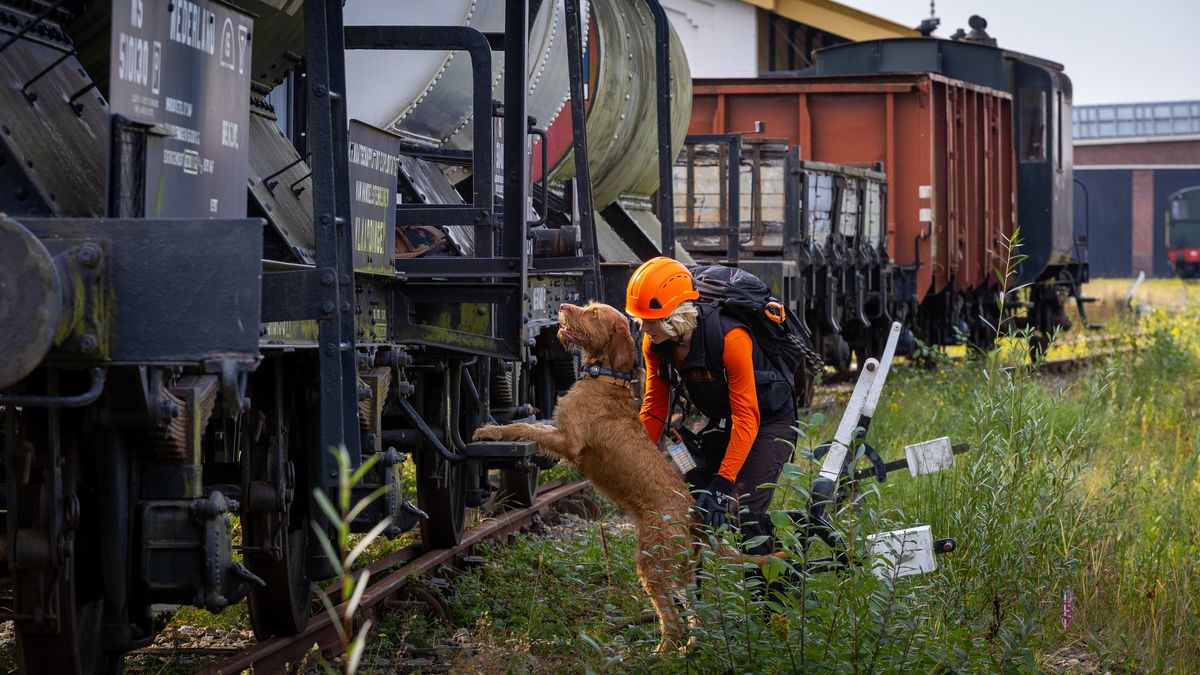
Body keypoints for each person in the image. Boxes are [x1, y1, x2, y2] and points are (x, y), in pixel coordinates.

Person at [625, 257, 796, 556]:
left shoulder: (731, 339)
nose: (642, 328)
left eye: (649, 321)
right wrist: (637, 459)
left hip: (769, 420)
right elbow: (654, 406)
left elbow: (747, 418)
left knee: (744, 510)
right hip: (727, 420)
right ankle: (701, 593)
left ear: (674, 317)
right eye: (640, 320)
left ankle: (772, 591)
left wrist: (723, 483)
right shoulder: (655, 344)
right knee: (690, 500)